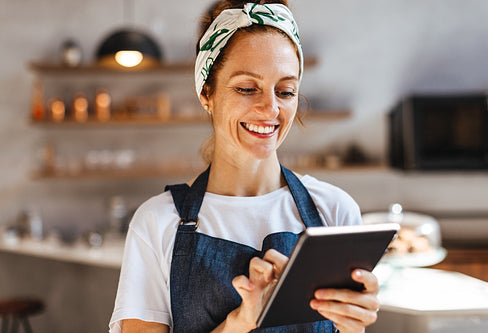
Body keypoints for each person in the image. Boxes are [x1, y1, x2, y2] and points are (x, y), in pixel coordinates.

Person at [109, 1, 380, 332]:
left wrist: (354, 325)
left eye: (285, 91)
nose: (270, 109)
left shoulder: (334, 213)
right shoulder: (157, 223)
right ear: (206, 92)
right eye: (247, 88)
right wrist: (241, 322)